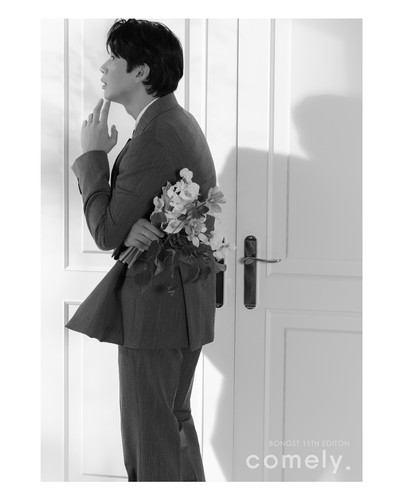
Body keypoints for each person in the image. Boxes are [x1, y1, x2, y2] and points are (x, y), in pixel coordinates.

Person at [68, 18, 217, 481]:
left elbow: (106, 231)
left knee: (150, 438)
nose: (103, 66)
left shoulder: (154, 133)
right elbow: (128, 223)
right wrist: (129, 225)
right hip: (179, 301)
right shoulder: (173, 120)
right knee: (171, 425)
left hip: (157, 306)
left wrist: (93, 156)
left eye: (114, 56)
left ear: (141, 70)